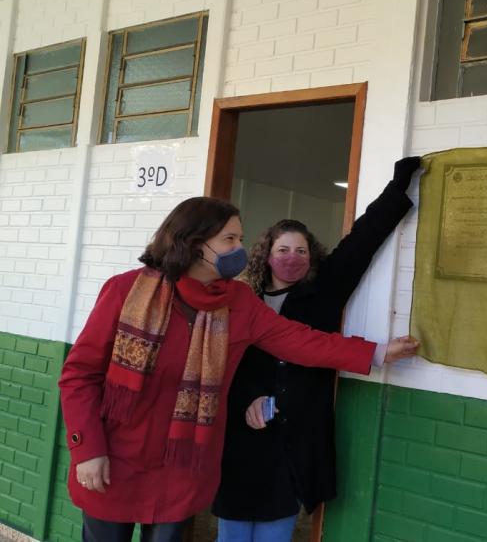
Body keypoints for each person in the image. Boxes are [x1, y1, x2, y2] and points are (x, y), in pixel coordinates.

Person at [58, 195, 419, 542]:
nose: (239, 249)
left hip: (182, 465)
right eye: (229, 239)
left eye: (240, 239)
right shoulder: (126, 291)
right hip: (114, 458)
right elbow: (79, 375)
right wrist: (86, 449)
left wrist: (377, 351)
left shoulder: (238, 302)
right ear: (195, 243)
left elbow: (300, 340)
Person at [212, 157, 420, 541]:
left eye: (302, 251)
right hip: (242, 436)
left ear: (312, 258)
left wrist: (397, 188)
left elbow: (363, 240)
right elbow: (225, 364)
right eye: (283, 249)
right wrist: (248, 400)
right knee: (233, 533)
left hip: (291, 439)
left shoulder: (322, 293)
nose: (292, 257)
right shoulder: (242, 300)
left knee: (275, 532)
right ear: (266, 254)